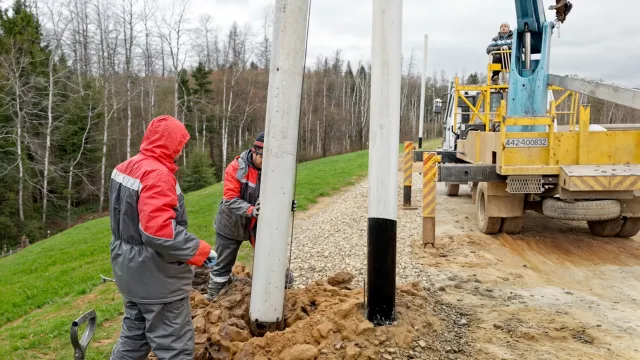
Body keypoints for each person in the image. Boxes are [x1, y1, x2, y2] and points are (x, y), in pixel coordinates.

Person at [108, 115, 217, 359]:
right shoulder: (158, 175)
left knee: (133, 339)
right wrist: (201, 252)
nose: (181, 150)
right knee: (174, 347)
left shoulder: (124, 168)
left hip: (129, 271)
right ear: (171, 144)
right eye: (180, 144)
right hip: (157, 279)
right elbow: (157, 231)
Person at [205, 132, 295, 302]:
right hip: (231, 224)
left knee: (276, 265)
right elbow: (230, 199)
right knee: (222, 267)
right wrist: (251, 209)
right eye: (263, 157)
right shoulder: (236, 168)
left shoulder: (274, 169)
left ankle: (284, 299)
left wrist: (287, 204)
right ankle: (212, 300)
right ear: (254, 152)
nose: (267, 162)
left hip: (258, 225)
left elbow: (279, 193)